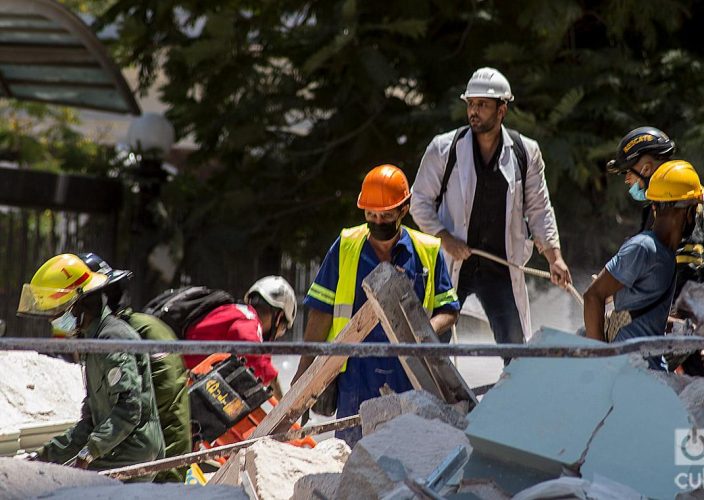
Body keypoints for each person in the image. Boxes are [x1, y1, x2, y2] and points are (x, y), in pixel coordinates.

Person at [293, 164, 460, 446]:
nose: (377, 221)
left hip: (409, 374)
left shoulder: (427, 252)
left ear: (403, 210)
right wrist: (304, 378)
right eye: (371, 215)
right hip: (356, 374)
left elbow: (449, 310)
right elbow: (321, 312)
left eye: (386, 215)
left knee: (407, 456)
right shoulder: (346, 246)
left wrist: (422, 334)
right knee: (352, 457)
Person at [411, 66, 571, 353]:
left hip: (500, 267)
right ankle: (431, 397)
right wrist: (444, 237)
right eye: (471, 104)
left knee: (515, 346)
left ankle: (514, 397)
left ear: (502, 111)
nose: (474, 111)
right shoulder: (443, 149)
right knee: (433, 341)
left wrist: (554, 257)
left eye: (483, 105)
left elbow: (539, 209)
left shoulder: (526, 152)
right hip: (452, 266)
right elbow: (419, 201)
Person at [17, 253, 164, 480]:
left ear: (78, 306)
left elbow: (128, 409)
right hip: (113, 445)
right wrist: (44, 455)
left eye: (57, 312)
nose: (52, 320)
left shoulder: (112, 340)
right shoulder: (92, 342)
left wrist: (91, 450)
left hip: (133, 450)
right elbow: (91, 420)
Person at [584, 161, 704, 369]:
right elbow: (592, 296)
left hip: (650, 371)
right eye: (695, 208)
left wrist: (696, 337)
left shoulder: (665, 255)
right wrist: (600, 367)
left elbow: (650, 319)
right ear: (686, 212)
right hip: (628, 373)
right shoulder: (643, 248)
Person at [77, 253, 190, 483]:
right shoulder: (134, 328)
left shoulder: (130, 335)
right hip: (156, 453)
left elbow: (146, 406)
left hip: (159, 459)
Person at [606, 126, 704, 297]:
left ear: (646, 168)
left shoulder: (677, 208)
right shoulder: (656, 207)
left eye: (628, 171)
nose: (627, 179)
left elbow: (684, 275)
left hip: (681, 314)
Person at [182, 276, 297, 400]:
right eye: (284, 328)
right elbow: (256, 360)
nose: (280, 334)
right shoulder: (249, 320)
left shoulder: (234, 311)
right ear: (279, 317)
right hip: (175, 376)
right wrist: (284, 407)